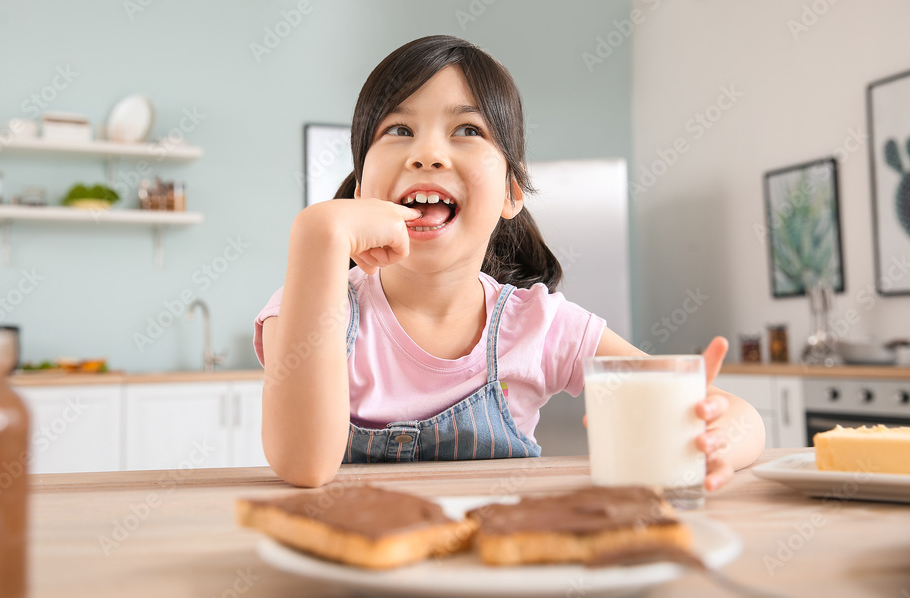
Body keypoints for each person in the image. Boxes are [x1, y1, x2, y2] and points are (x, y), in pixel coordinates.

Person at [254, 35, 765, 488]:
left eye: (468, 130)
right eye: (399, 130)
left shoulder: (538, 327)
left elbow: (742, 417)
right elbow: (304, 466)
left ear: (511, 193)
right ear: (362, 190)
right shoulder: (312, 308)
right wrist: (316, 237)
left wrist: (714, 437)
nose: (427, 153)